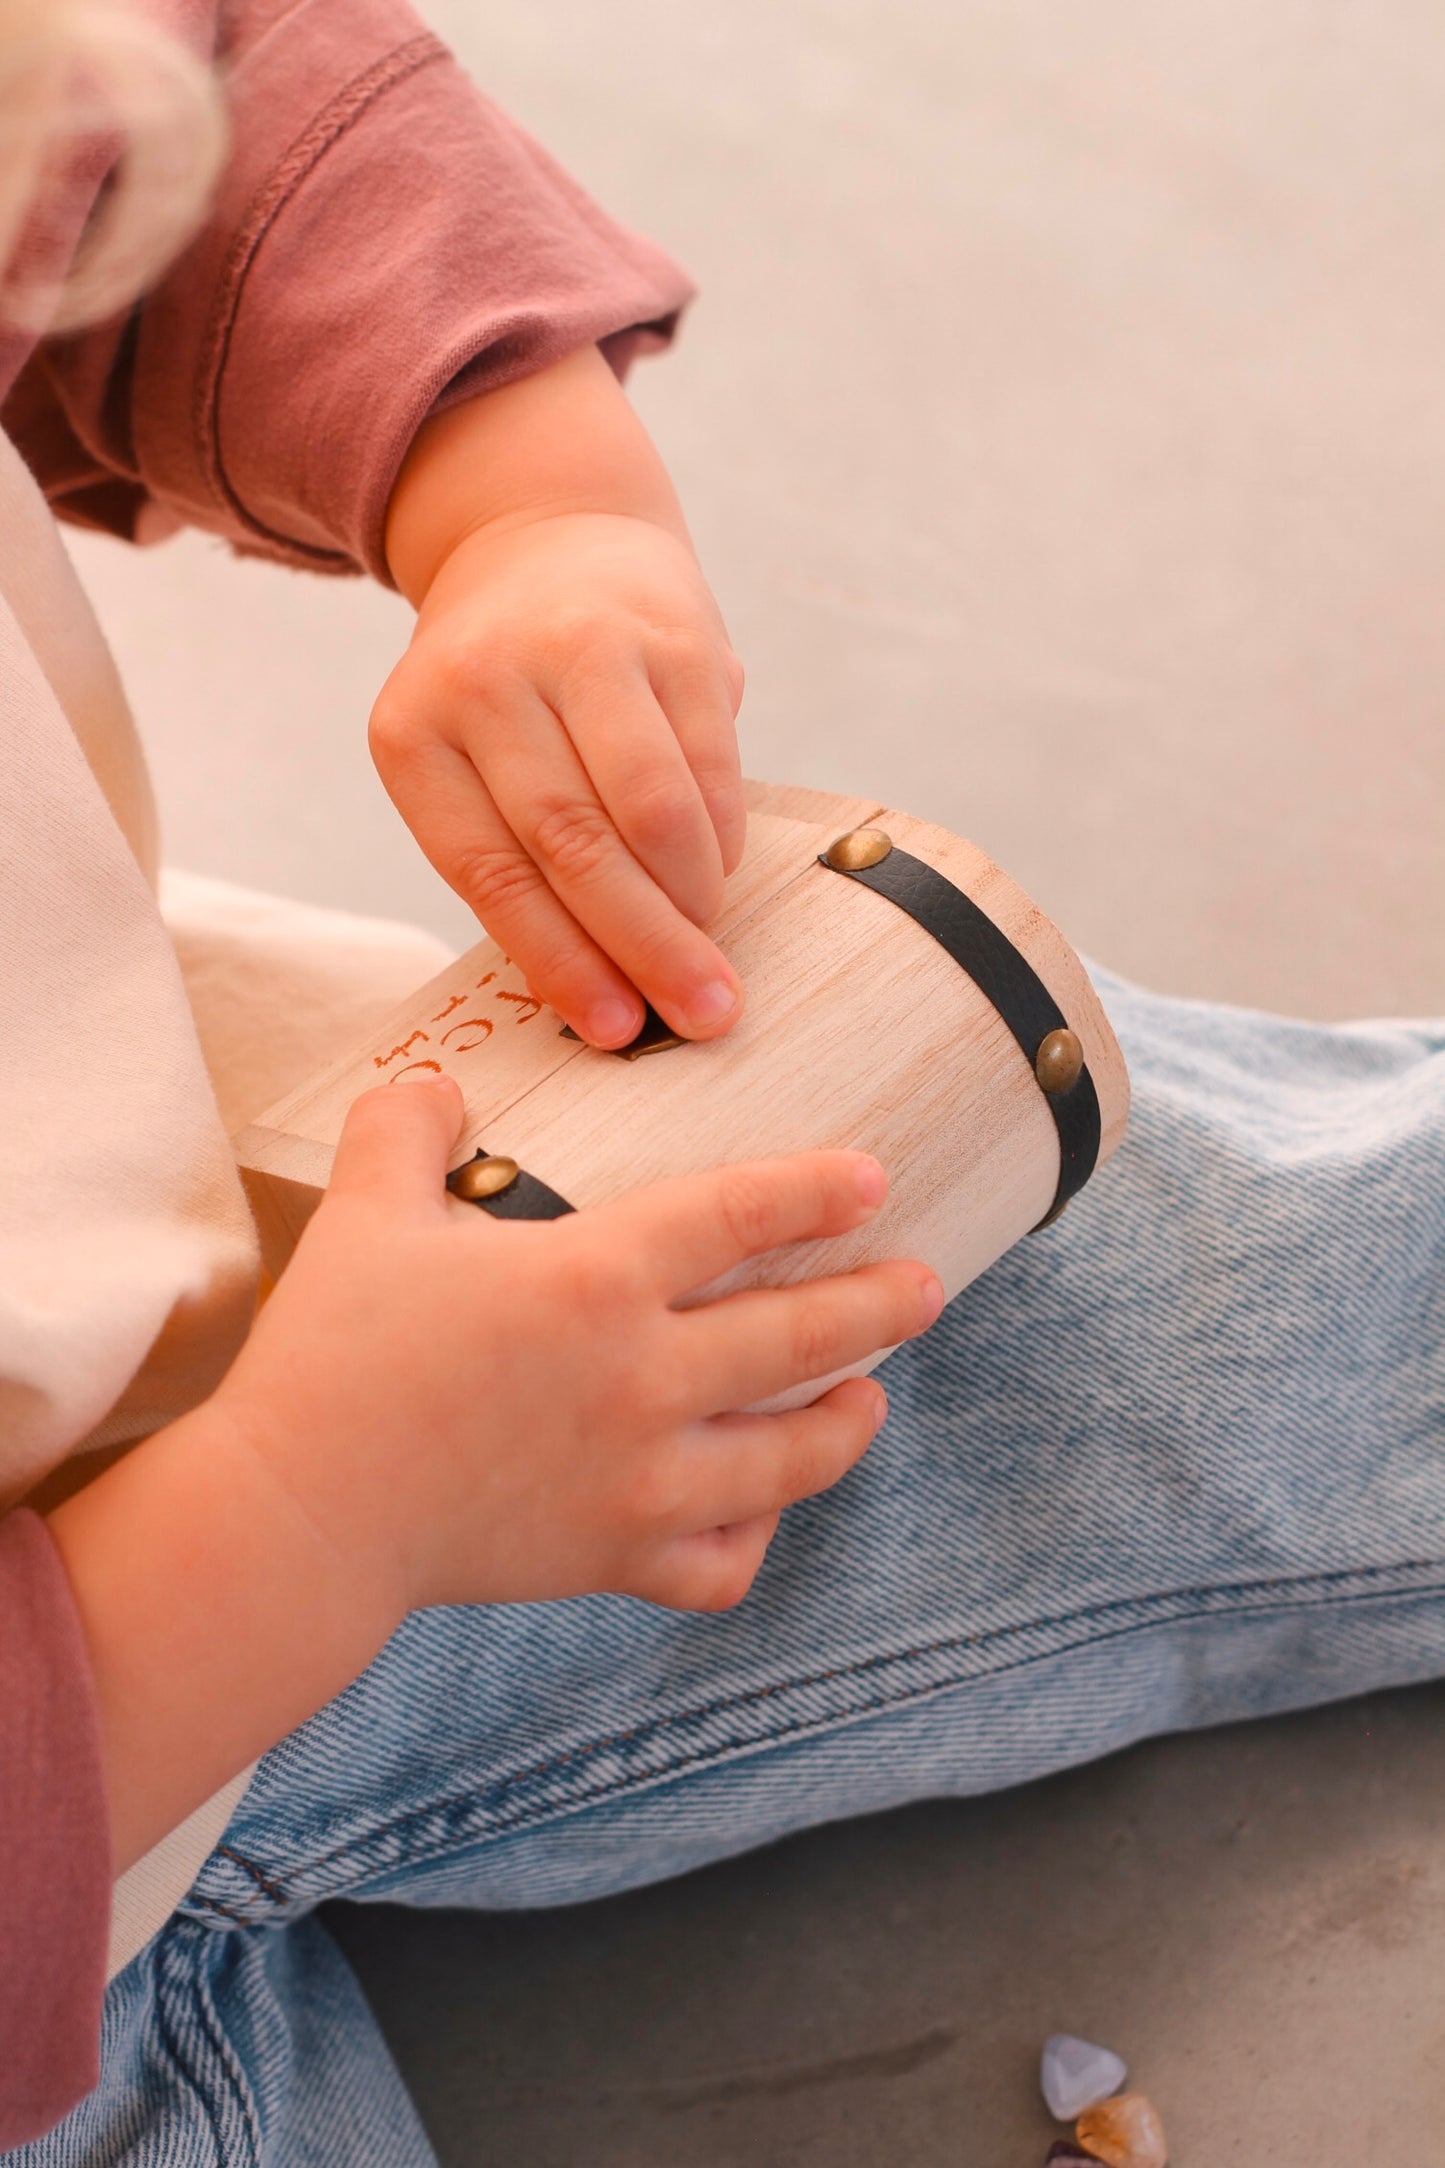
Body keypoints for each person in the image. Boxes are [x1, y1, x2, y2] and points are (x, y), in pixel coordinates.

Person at [1, 1, 1440, 2160]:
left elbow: (164, 83)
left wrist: (522, 503)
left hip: (162, 1212)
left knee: (1080, 1260)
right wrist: (314, 1508)